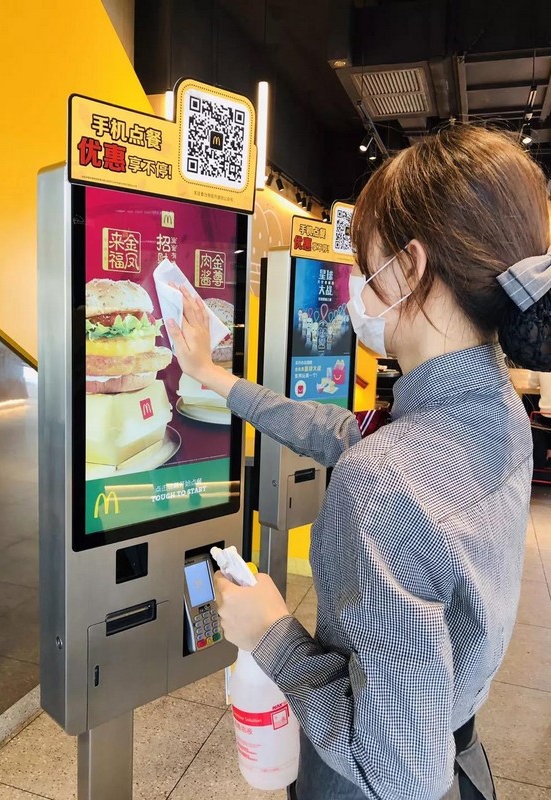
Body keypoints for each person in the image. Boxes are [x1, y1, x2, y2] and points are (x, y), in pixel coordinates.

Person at [166, 125, 551, 800]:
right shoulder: (493, 409)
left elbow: (400, 774)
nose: (357, 291)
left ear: (410, 267)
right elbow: (345, 433)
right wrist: (214, 377)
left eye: (365, 266)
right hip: (468, 759)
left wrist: (271, 635)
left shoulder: (382, 482)